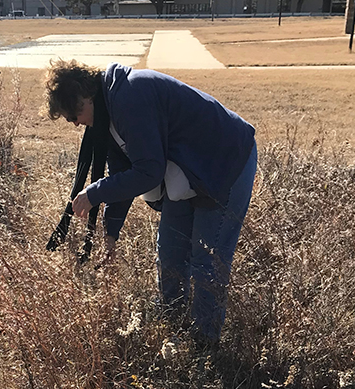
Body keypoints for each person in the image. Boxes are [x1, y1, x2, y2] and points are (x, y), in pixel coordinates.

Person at [45, 60, 257, 345]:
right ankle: (172, 318)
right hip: (186, 169)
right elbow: (123, 173)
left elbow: (148, 171)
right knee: (170, 250)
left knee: (206, 261)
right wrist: (111, 234)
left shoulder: (129, 96)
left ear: (87, 95)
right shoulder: (108, 113)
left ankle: (204, 343)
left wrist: (93, 193)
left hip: (225, 163)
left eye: (75, 113)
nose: (75, 122)